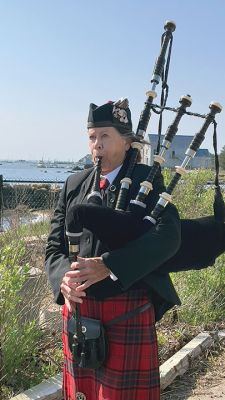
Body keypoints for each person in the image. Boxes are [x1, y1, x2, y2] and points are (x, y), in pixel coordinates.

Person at [45, 98, 181, 400]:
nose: (97, 144)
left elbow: (168, 237)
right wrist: (63, 279)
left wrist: (109, 265)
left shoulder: (148, 181)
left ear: (127, 140)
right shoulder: (74, 184)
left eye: (105, 136)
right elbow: (54, 246)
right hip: (79, 310)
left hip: (127, 306)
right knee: (82, 394)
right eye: (92, 137)